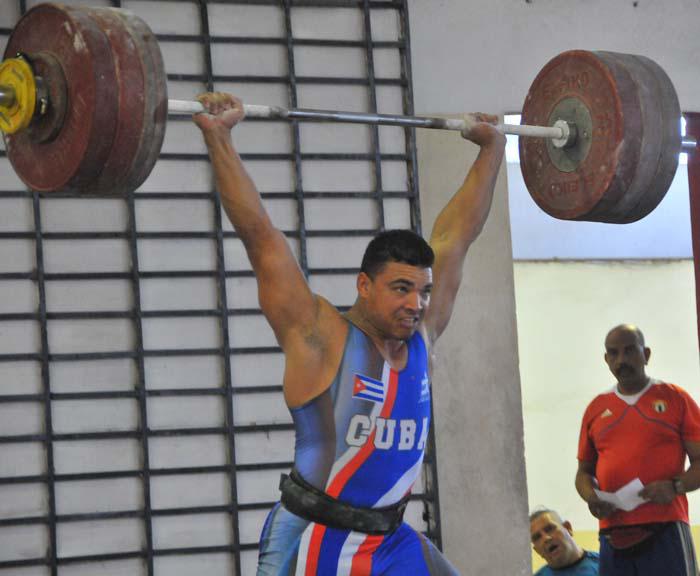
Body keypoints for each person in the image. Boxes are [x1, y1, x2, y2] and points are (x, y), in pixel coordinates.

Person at [193, 93, 505, 575]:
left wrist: (492, 150)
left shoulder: (421, 337)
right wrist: (219, 137)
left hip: (390, 539)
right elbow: (261, 237)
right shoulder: (319, 336)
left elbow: (456, 237)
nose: (416, 304)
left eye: (423, 291)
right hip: (315, 537)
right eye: (400, 289)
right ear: (364, 285)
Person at [575, 324, 700, 576]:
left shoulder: (675, 398)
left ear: (647, 354)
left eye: (630, 350)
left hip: (665, 528)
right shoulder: (596, 408)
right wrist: (591, 497)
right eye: (613, 353)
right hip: (612, 533)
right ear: (606, 359)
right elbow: (583, 473)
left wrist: (675, 486)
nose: (621, 360)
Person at [530, 507, 599, 575]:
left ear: (568, 528)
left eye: (549, 529)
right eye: (537, 537)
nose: (546, 538)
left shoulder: (603, 564)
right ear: (537, 551)